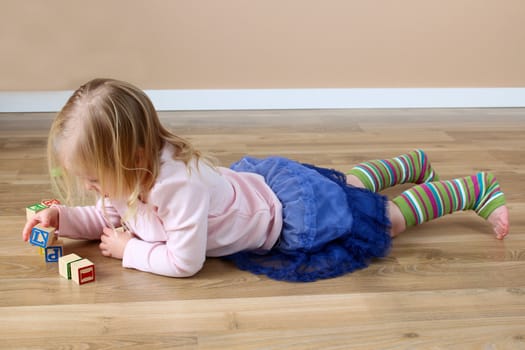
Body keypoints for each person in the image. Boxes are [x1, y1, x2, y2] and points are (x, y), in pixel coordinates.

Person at [21, 78, 510, 282]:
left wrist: (131, 253)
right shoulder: (126, 180)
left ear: (133, 158)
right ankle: (413, 163)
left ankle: (471, 190)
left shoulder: (176, 189)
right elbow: (106, 218)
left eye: (94, 179)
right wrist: (62, 218)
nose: (91, 189)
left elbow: (184, 261)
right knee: (350, 190)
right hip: (261, 188)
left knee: (380, 219)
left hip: (290, 218)